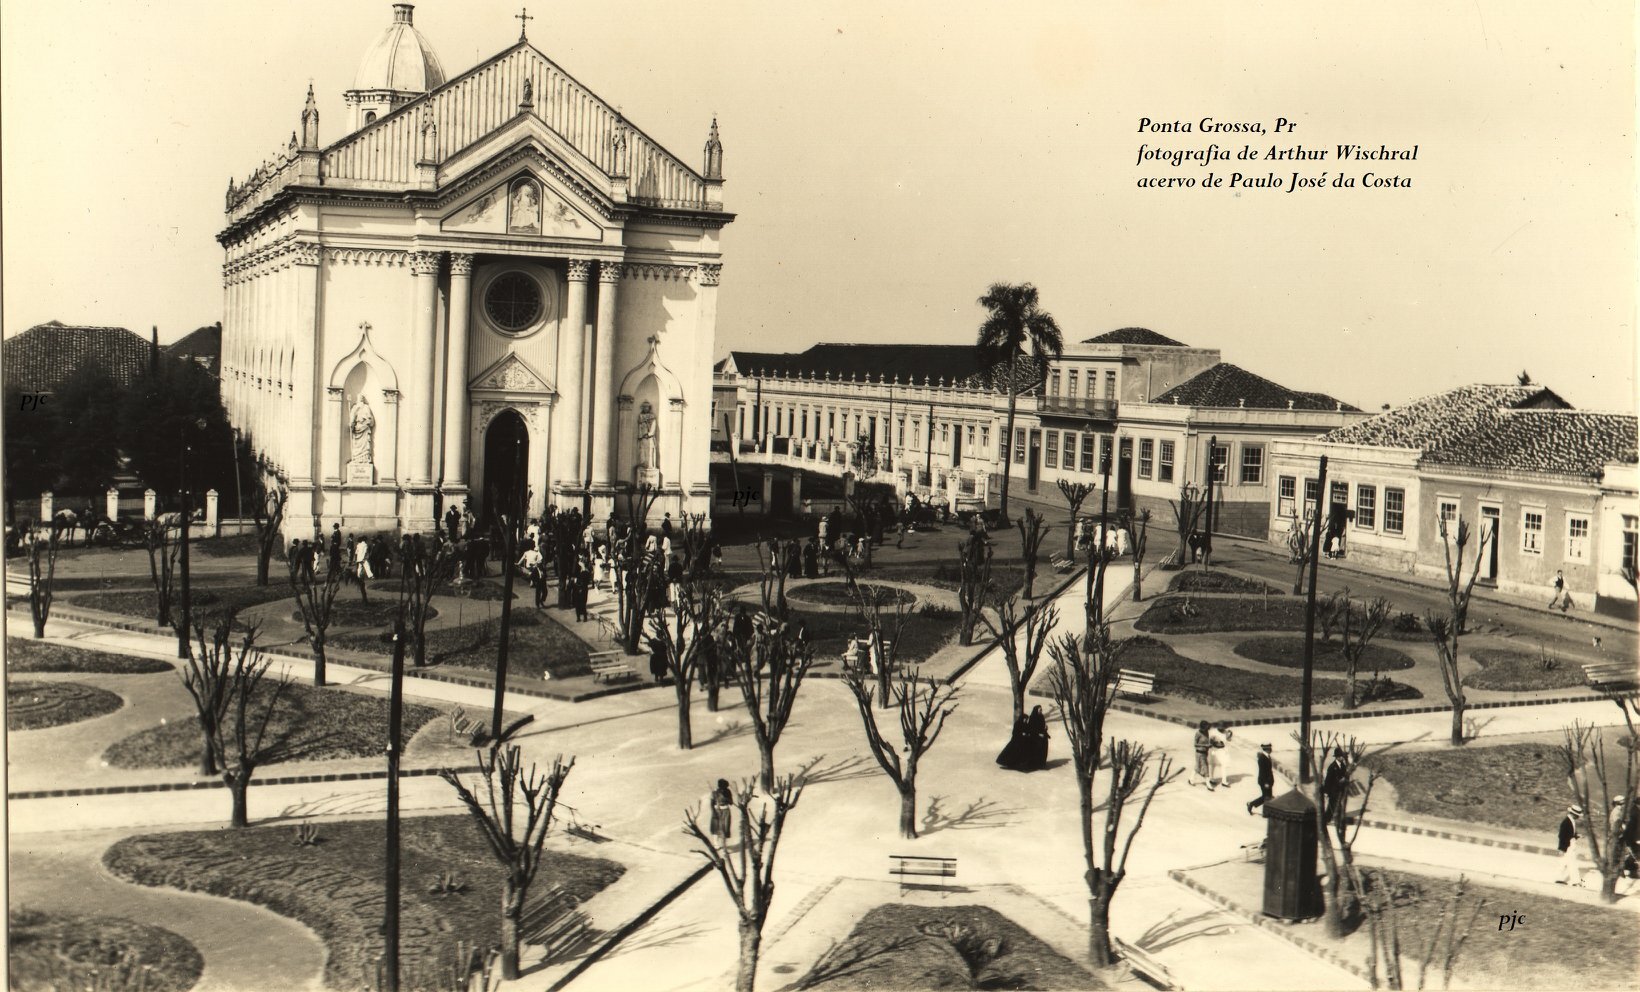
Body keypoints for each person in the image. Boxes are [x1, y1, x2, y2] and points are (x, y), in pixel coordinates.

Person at [1557, 805, 1585, 886]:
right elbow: (1562, 836)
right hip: (1567, 845)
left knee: (1564, 862)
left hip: (1570, 844)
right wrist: (1562, 848)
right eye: (1577, 815)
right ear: (1574, 814)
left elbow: (1570, 833)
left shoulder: (1571, 821)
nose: (1578, 817)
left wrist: (1576, 835)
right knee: (1571, 863)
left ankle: (1559, 878)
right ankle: (1575, 881)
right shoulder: (1566, 822)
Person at [1321, 748, 1349, 825]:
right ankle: (1331, 819)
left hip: (1340, 790)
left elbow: (1344, 775)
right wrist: (1326, 792)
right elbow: (1328, 780)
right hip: (1333, 790)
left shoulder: (1343, 765)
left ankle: (1328, 819)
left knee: (1333, 805)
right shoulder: (1332, 767)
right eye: (1340, 756)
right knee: (1334, 805)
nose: (1342, 758)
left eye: (1342, 756)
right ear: (1336, 757)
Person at [1247, 743, 1275, 815]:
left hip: (1268, 781)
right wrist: (1266, 783)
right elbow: (1263, 772)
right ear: (1267, 749)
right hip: (1264, 781)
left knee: (1267, 796)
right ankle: (1251, 804)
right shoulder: (1262, 759)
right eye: (1270, 748)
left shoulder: (1267, 756)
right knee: (1266, 797)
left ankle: (1265, 811)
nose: (1271, 750)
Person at [1022, 705, 1050, 771]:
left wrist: (1045, 728)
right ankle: (1034, 764)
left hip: (1042, 736)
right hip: (1034, 737)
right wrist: (1038, 734)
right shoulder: (1032, 718)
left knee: (1043, 749)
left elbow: (1042, 726)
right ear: (1036, 710)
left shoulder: (1042, 717)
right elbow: (1031, 729)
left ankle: (1041, 763)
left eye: (1041, 710)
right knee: (1036, 749)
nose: (1041, 711)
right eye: (1040, 710)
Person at [709, 779, 734, 846]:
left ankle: (724, 845)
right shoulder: (714, 792)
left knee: (725, 827)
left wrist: (727, 799)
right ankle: (716, 844)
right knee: (716, 827)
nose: (724, 789)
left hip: (726, 811)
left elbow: (731, 802)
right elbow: (711, 803)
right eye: (723, 787)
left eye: (725, 788)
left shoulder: (728, 792)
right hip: (717, 810)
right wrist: (714, 812)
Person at [1207, 722, 1232, 788]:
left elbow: (1228, 740)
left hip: (1222, 750)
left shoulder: (1226, 732)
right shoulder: (1213, 732)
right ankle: (1211, 778)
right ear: (1217, 726)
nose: (1221, 729)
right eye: (1220, 727)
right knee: (1213, 764)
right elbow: (1209, 742)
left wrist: (1230, 735)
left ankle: (1224, 781)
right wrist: (1214, 742)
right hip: (1214, 750)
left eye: (1223, 727)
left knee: (1224, 765)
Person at [1189, 720, 1211, 788]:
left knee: (1197, 767)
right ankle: (1208, 784)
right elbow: (1195, 744)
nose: (1207, 729)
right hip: (1199, 753)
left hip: (1205, 752)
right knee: (1205, 768)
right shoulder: (1198, 733)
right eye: (1206, 728)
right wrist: (1205, 746)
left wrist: (1210, 745)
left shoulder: (1207, 732)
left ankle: (1191, 779)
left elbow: (1207, 741)